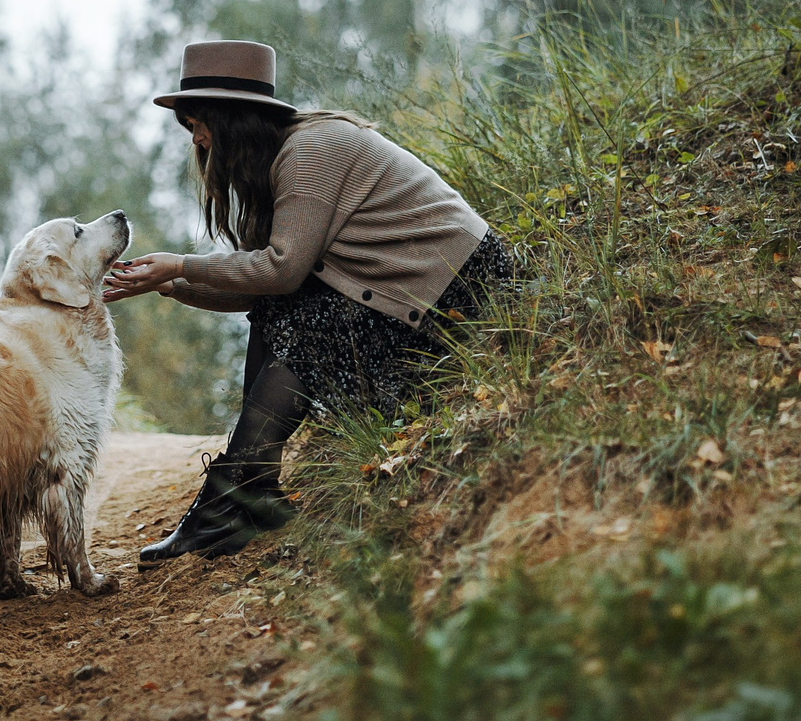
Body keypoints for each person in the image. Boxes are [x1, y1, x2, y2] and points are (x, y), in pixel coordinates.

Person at [103, 40, 514, 562]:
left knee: (307, 322)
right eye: (189, 128)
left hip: (463, 286)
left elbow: (280, 271)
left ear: (233, 119)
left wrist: (182, 264)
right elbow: (263, 287)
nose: (198, 139)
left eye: (199, 124)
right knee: (286, 311)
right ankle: (245, 492)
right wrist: (168, 284)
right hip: (414, 289)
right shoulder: (282, 159)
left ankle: (238, 496)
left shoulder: (309, 152)